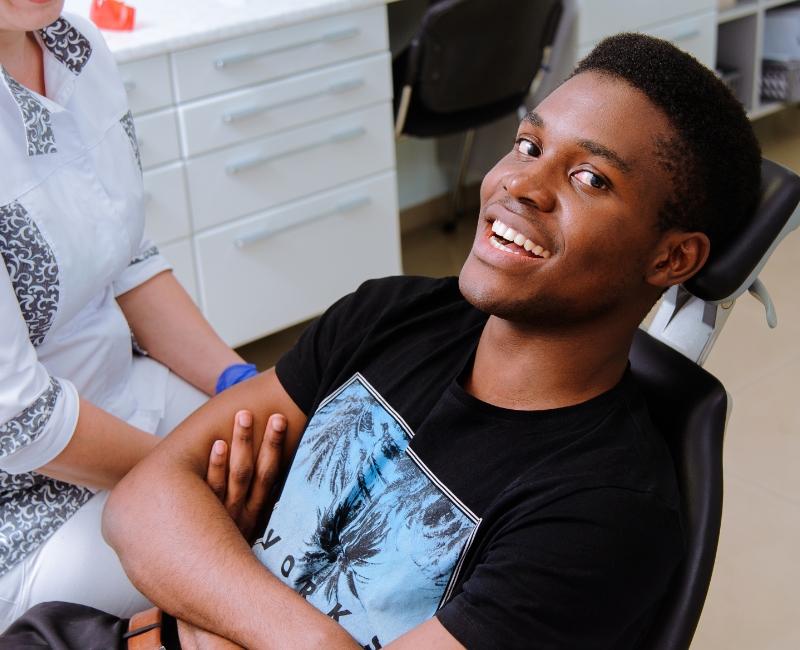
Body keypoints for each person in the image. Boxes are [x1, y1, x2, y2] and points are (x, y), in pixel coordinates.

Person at [1, 32, 763, 650]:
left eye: (592, 178)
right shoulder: (392, 314)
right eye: (530, 145)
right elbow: (141, 506)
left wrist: (209, 584)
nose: (520, 186)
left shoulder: (604, 512)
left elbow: (171, 526)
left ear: (672, 259)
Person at [0, 0, 259, 630]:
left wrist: (237, 382)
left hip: (123, 394)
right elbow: (23, 423)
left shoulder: (77, 49)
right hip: (25, 500)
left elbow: (127, 258)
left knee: (293, 466)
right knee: (251, 568)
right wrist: (190, 472)